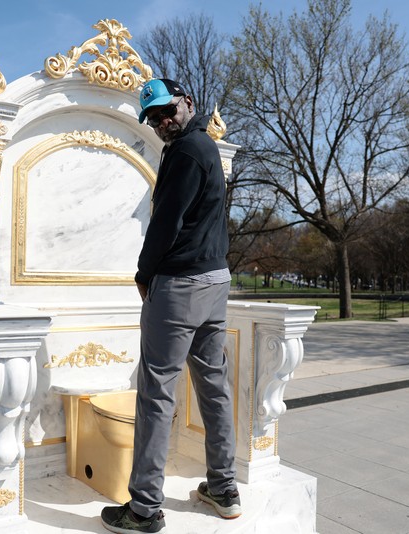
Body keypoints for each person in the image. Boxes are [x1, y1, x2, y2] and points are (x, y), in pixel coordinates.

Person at [101, 79, 240, 534]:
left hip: (181, 283)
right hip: (216, 279)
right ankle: (223, 487)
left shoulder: (185, 151)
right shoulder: (205, 149)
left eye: (166, 110)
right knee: (213, 385)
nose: (162, 121)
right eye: (154, 118)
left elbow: (165, 224)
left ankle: (143, 510)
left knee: (156, 392)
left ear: (187, 102)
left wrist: (144, 275)